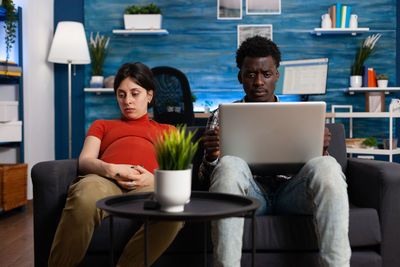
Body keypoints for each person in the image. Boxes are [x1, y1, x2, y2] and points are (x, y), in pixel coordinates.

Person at [199, 36, 350, 267]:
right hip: (249, 197)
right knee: (229, 164)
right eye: (251, 74)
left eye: (266, 74)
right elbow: (211, 184)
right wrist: (211, 158)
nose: (259, 82)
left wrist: (321, 151)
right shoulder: (221, 116)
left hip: (292, 194)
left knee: (328, 165)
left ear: (276, 76)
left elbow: (321, 177)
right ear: (240, 77)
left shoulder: (300, 116)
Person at [48, 62, 183, 267]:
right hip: (103, 180)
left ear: (149, 95)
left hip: (147, 185)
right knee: (84, 197)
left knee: (173, 209)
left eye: (134, 93)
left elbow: (177, 177)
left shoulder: (169, 131)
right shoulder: (102, 125)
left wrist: (153, 179)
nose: (127, 101)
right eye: (121, 94)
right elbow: (85, 161)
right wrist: (110, 169)